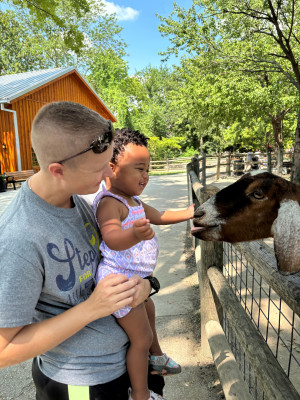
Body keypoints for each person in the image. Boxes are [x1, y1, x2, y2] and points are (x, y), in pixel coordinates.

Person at [0, 101, 164, 400]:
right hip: (81, 383)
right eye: (98, 168)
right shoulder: (19, 238)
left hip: (121, 363)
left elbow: (111, 267)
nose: (107, 175)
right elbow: (4, 351)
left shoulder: (82, 204)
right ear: (58, 170)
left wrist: (146, 284)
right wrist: (91, 309)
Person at [93, 128, 195, 400]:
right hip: (120, 284)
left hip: (137, 281)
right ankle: (141, 394)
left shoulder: (134, 201)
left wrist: (190, 212)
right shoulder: (109, 203)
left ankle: (157, 357)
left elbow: (160, 215)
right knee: (140, 339)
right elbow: (112, 238)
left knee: (150, 317)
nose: (146, 175)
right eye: (139, 168)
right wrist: (134, 234)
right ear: (112, 169)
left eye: (148, 168)